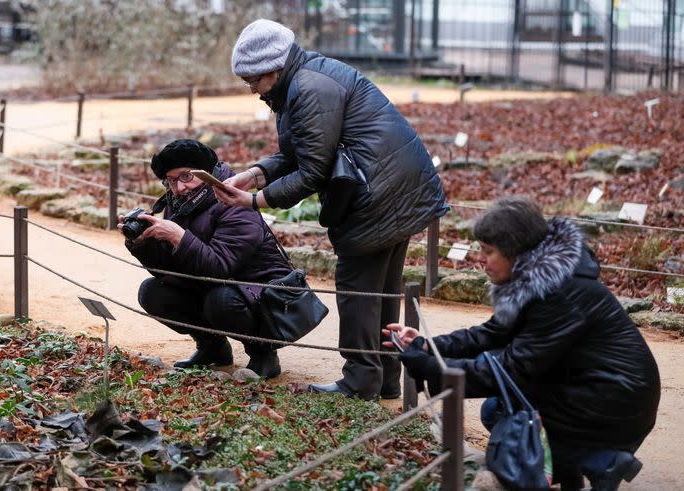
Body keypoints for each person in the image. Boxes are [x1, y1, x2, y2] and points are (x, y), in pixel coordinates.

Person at [213, 19, 449, 401]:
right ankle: (384, 378)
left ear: (272, 67)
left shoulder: (307, 88)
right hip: (399, 189)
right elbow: (298, 151)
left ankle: (358, 382)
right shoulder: (302, 80)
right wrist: (255, 175)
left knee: (357, 291)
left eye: (252, 79)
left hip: (377, 195)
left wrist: (257, 201)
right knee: (382, 291)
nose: (252, 89)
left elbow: (312, 171)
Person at [386, 197, 660, 491]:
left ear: (515, 252)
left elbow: (513, 370)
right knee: (495, 409)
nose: (481, 260)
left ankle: (600, 460)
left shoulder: (560, 294)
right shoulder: (537, 280)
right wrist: (429, 346)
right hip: (590, 387)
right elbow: (491, 334)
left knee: (509, 410)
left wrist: (434, 369)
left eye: (489, 252)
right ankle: (585, 464)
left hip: (616, 400)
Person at [119, 139, 292, 378]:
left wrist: (180, 237)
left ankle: (263, 354)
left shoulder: (236, 203)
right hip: (216, 285)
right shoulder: (180, 204)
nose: (179, 187)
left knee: (221, 300)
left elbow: (220, 267)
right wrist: (142, 244)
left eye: (186, 176)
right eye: (170, 180)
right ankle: (212, 348)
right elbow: (170, 271)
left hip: (262, 294)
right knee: (153, 292)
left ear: (208, 172)